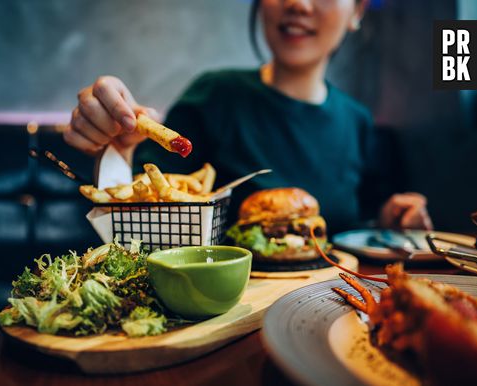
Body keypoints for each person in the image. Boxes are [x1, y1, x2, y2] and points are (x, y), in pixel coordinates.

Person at [63, 0, 432, 234]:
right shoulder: (214, 96)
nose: (299, 5)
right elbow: (142, 209)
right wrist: (119, 147)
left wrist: (393, 218)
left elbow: (363, 219)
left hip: (334, 308)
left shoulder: (358, 121)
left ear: (358, 10)